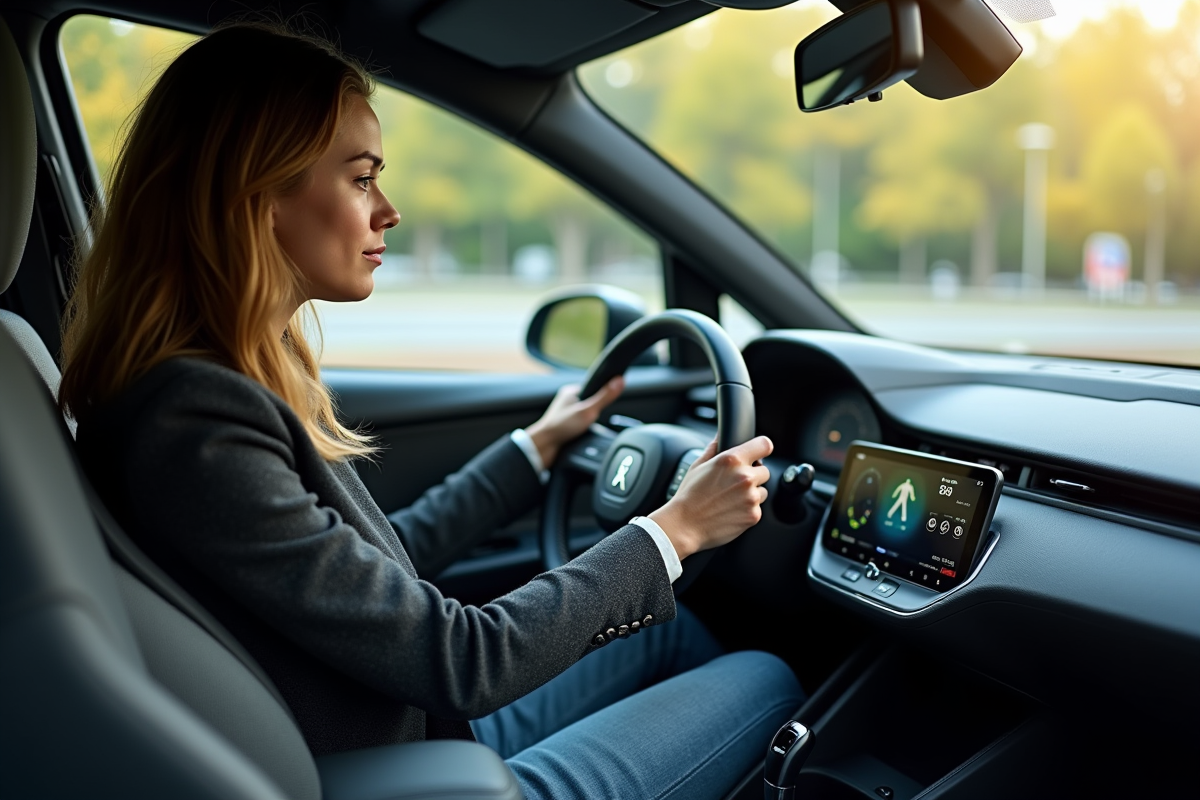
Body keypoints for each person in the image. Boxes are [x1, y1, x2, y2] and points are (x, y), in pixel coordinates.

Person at [59, 21, 802, 799]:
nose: (389, 210)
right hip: (410, 775)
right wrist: (674, 529)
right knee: (767, 675)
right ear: (258, 190)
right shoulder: (199, 422)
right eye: (360, 178)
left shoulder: (196, 389)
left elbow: (373, 579)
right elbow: (461, 658)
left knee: (671, 632)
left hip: (405, 731)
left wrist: (532, 451)